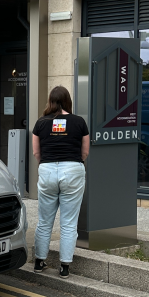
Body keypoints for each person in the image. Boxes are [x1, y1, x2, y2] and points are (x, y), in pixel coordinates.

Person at [31, 85, 90, 277]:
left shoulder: (41, 123)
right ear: (67, 101)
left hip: (47, 170)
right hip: (72, 170)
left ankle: (39, 261)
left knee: (44, 221)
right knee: (69, 222)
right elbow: (85, 152)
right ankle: (64, 266)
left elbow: (36, 152)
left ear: (50, 101)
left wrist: (48, 166)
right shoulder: (79, 122)